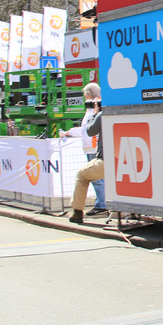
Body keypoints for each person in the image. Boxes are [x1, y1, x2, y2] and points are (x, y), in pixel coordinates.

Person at [69, 83, 104, 223]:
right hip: (125, 161)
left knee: (82, 175)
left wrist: (95, 113)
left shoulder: (101, 115)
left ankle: (77, 212)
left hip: (106, 160)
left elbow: (90, 131)